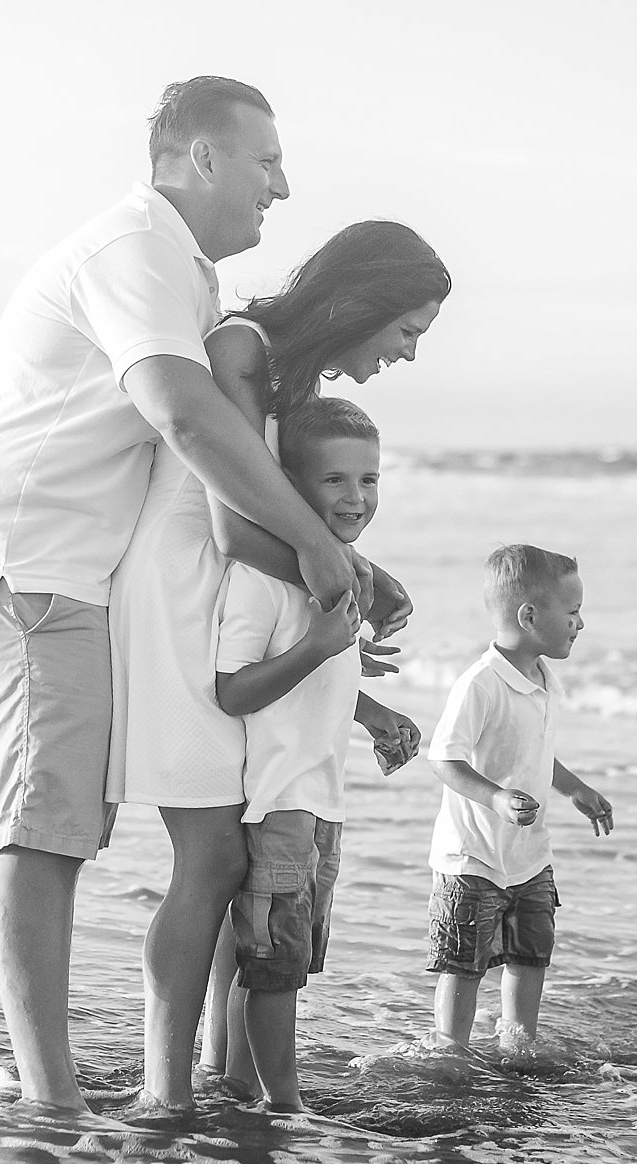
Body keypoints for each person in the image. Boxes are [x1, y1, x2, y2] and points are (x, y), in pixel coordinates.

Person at [0, 76, 358, 1116]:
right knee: (42, 830)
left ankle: (77, 1086)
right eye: (266, 161)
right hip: (23, 569)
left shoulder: (182, 273)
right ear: (200, 157)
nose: (281, 186)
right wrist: (316, 549)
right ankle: (51, 1103)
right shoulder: (136, 251)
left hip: (65, 573)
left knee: (67, 824)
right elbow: (187, 422)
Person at [106, 219, 449, 1105]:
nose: (407, 354)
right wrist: (348, 571)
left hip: (234, 583)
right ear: (362, 303)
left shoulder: (286, 371)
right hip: (190, 589)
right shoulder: (244, 348)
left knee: (237, 854)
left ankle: (224, 1075)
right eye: (406, 330)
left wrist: (361, 574)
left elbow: (283, 512)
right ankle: (167, 1090)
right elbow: (230, 520)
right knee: (213, 859)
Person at [212, 398, 399, 1111]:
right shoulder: (263, 581)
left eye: (370, 480)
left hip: (324, 803)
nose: (356, 497)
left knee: (279, 964)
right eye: (334, 481)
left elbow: (324, 685)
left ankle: (240, 1081)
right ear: (289, 486)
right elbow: (234, 690)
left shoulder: (338, 580)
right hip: (280, 801)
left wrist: (376, 715)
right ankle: (284, 1104)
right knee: (275, 970)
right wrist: (319, 642)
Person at [424, 544, 615, 1052]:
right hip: (475, 856)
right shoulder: (481, 684)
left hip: (529, 857)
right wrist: (497, 798)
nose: (581, 624)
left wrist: (576, 788)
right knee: (464, 962)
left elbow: (533, 751)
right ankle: (451, 1048)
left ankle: (517, 1041)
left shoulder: (544, 679)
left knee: (530, 953)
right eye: (572, 612)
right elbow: (444, 758)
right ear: (529, 616)